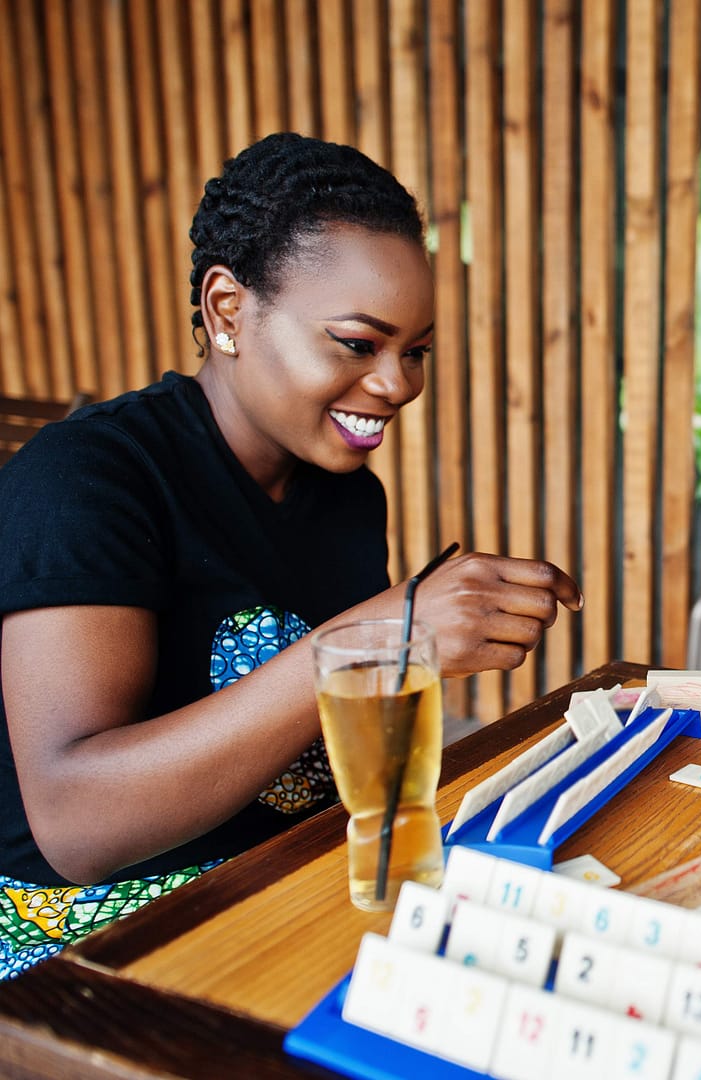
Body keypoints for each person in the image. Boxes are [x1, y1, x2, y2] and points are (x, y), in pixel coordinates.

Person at [0, 133, 581, 978]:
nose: (396, 385)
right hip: (86, 955)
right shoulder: (86, 479)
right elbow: (78, 826)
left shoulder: (343, 491)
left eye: (415, 351)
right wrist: (374, 635)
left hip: (282, 885)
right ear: (228, 309)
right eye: (357, 343)